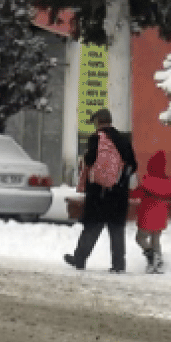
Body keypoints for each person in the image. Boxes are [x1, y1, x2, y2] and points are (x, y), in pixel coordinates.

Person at [65, 109, 138, 273]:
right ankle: (118, 264)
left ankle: (79, 259)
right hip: (118, 193)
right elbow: (133, 164)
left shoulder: (95, 139)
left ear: (98, 122)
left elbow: (90, 160)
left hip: (98, 193)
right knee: (116, 230)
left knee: (92, 227)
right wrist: (120, 181)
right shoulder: (123, 139)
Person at [130, 149, 171, 274]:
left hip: (147, 217)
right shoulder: (167, 183)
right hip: (161, 218)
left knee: (140, 238)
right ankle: (157, 262)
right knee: (155, 240)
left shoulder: (147, 183)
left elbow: (135, 194)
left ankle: (151, 256)